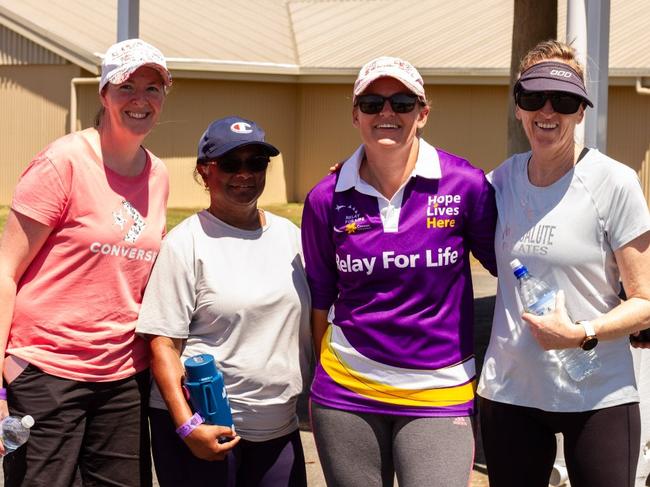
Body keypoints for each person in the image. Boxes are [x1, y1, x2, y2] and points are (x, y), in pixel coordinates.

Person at [301, 56, 497, 487]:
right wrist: (324, 373)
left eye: (402, 102)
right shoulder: (325, 198)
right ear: (355, 115)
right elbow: (321, 297)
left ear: (423, 113)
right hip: (346, 391)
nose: (386, 113)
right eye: (372, 103)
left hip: (441, 390)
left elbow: (509, 265)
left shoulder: (465, 184)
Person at [477, 39, 650, 487]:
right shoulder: (498, 182)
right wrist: (360, 173)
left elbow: (646, 300)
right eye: (533, 97)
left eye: (565, 99)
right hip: (511, 390)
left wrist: (581, 334)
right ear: (518, 106)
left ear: (581, 110)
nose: (547, 110)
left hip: (599, 392)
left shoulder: (615, 182)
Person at [0, 38, 172, 486]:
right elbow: (4, 271)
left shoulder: (159, 174)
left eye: (153, 88)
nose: (140, 99)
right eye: (127, 86)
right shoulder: (64, 163)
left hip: (121, 376)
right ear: (103, 93)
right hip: (44, 372)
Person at [136, 116, 312, 487]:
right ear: (204, 172)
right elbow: (163, 344)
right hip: (205, 425)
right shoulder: (187, 244)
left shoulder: (291, 237)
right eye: (230, 164)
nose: (244, 174)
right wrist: (187, 426)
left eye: (256, 163)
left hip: (277, 424)